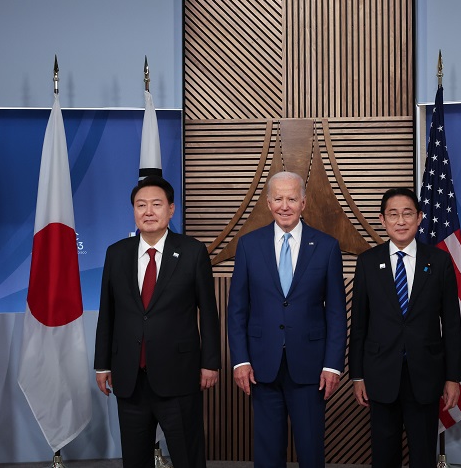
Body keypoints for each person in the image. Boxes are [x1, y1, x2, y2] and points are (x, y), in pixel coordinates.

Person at [94, 175, 220, 468]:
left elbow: (209, 312)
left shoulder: (192, 252)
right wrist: (102, 364)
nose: (148, 212)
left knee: (187, 457)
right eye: (141, 205)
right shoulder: (117, 253)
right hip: (130, 378)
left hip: (179, 376)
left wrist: (209, 363)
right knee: (135, 460)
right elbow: (107, 313)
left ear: (171, 209)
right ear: (133, 211)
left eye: (156, 204)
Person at [227, 171, 347, 468]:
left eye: (291, 198)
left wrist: (333, 364)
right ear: (268, 202)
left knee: (310, 450)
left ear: (303, 202)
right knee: (268, 454)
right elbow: (237, 309)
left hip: (310, 367)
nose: (285, 205)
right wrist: (240, 361)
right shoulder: (248, 245)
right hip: (261, 365)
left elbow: (335, 312)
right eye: (278, 198)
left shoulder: (327, 246)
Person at [349, 186, 461, 468]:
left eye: (407, 214)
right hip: (380, 374)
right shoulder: (367, 262)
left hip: (425, 374)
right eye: (393, 214)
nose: (401, 221)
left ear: (420, 217)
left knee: (423, 453)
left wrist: (453, 377)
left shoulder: (439, 261)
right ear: (382, 219)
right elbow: (359, 324)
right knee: (384, 454)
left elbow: (451, 323)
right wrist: (357, 375)